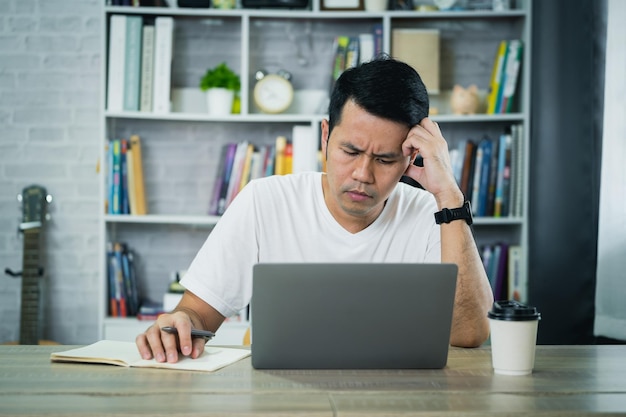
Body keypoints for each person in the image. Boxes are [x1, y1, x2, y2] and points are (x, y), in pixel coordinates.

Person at [136, 56, 494, 363]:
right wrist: (177, 324)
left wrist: (448, 194)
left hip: (395, 400)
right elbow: (197, 312)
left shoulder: (431, 212)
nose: (362, 175)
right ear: (325, 136)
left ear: (411, 157)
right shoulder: (265, 201)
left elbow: (470, 333)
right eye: (350, 151)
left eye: (385, 159)